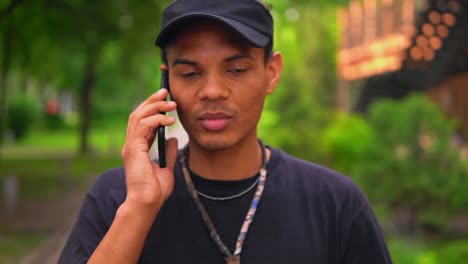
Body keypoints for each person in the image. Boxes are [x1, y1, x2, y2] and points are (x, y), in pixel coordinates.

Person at [59, 0, 393, 263]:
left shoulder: (334, 204)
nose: (213, 91)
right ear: (167, 82)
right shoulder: (116, 198)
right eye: (190, 74)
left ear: (271, 72)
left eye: (235, 69)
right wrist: (140, 208)